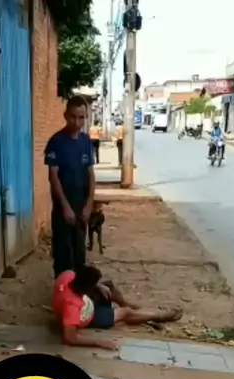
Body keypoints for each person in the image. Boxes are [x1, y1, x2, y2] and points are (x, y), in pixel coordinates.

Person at [53, 265, 182, 351]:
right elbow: (70, 338)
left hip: (84, 300)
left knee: (108, 286)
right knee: (125, 313)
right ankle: (159, 316)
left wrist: (98, 285)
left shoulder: (68, 276)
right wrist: (99, 343)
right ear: (87, 288)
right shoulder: (72, 307)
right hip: (88, 316)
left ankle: (127, 304)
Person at [44, 96, 95, 277]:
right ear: (66, 115)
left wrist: (89, 204)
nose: (77, 122)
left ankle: (78, 292)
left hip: (81, 206)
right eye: (73, 116)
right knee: (63, 255)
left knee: (80, 254)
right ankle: (62, 290)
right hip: (63, 207)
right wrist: (65, 207)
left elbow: (90, 174)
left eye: (81, 117)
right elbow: (53, 177)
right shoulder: (56, 142)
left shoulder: (86, 141)